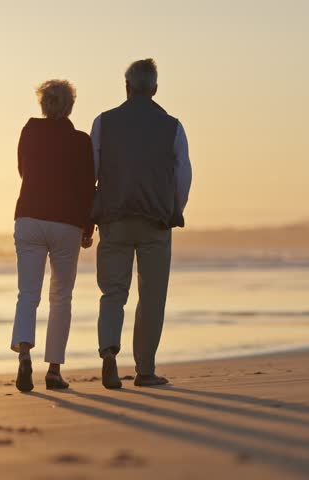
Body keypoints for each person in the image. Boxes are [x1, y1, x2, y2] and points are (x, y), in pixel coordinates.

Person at [91, 59, 192, 389]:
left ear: (127, 87)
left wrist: (90, 215)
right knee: (152, 296)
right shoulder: (172, 126)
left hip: (114, 218)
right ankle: (144, 369)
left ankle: (108, 353)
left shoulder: (103, 123)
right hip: (155, 222)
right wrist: (174, 209)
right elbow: (183, 177)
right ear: (155, 89)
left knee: (113, 292)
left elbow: (92, 170)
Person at [11, 79, 96, 392]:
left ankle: (23, 356)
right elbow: (88, 189)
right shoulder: (81, 142)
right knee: (60, 296)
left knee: (27, 294)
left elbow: (23, 170)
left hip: (29, 217)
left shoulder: (30, 131)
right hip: (66, 223)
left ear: (43, 106)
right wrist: (88, 228)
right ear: (70, 107)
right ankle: (54, 370)